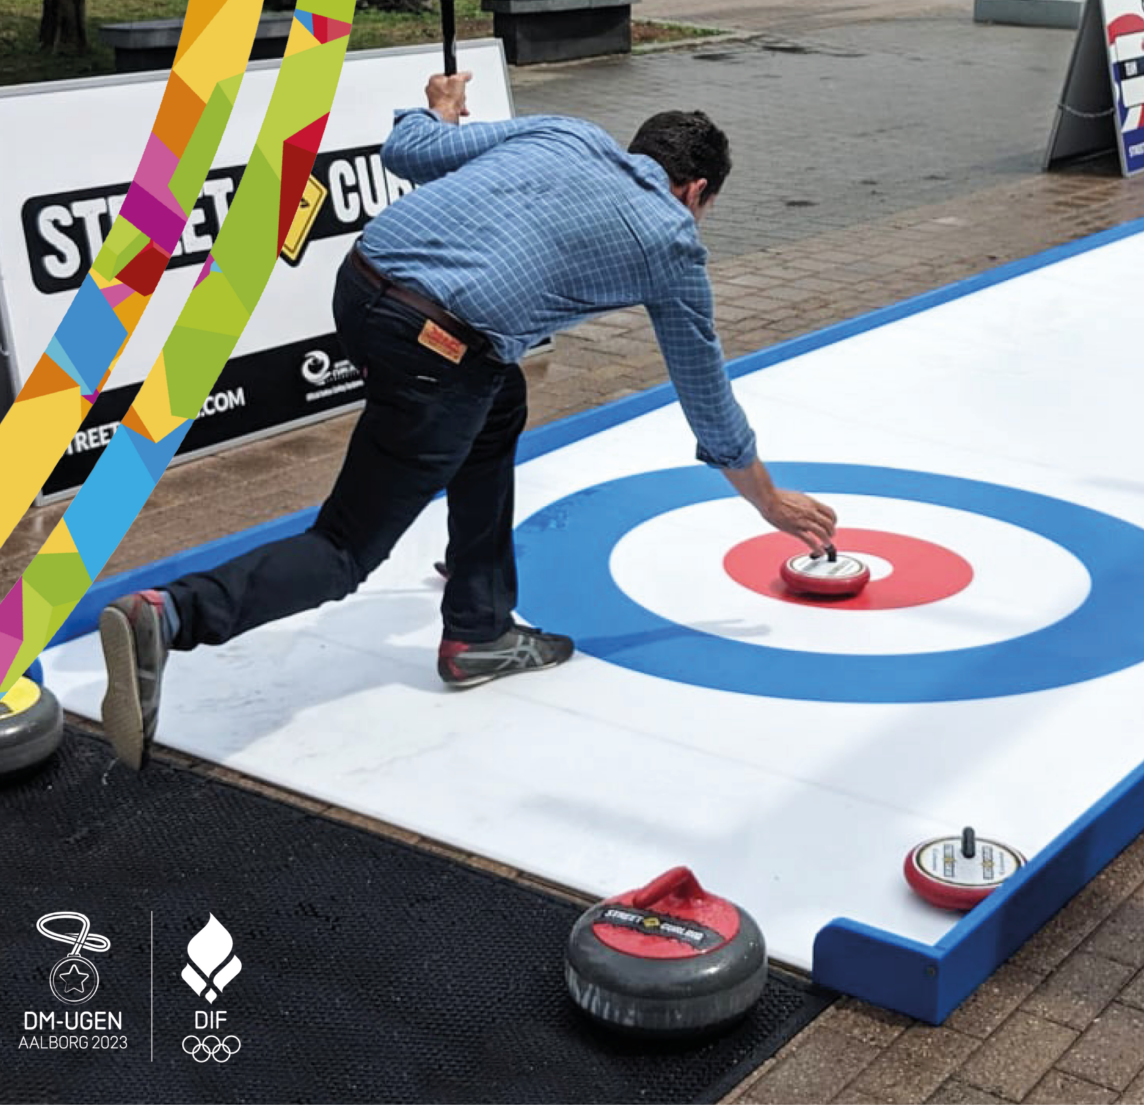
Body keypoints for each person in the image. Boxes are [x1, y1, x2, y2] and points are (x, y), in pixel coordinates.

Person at [97, 71, 838, 771]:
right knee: (345, 548)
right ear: (697, 190)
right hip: (435, 345)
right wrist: (770, 500)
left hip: (362, 288)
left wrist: (442, 107)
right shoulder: (672, 241)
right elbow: (706, 395)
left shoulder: (568, 133)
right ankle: (170, 617)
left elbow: (410, 150)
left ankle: (479, 624)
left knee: (499, 397)